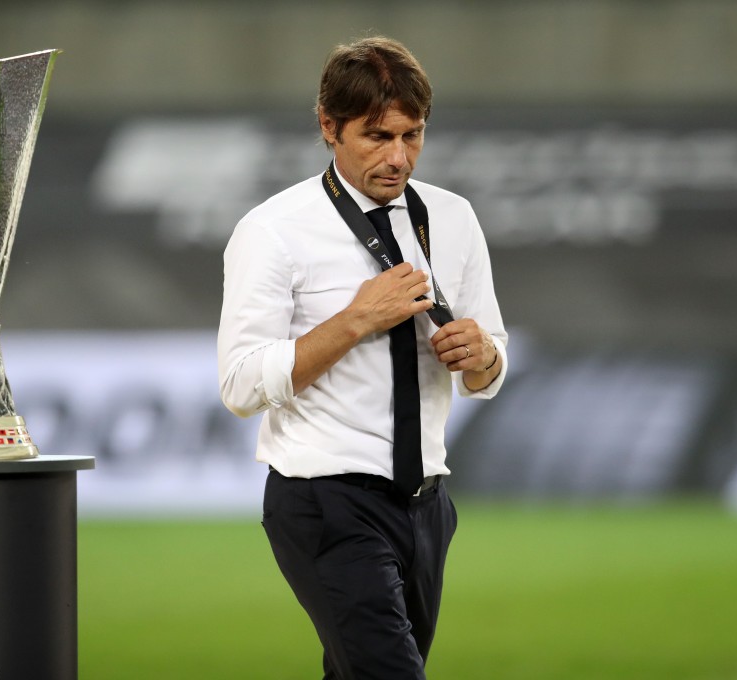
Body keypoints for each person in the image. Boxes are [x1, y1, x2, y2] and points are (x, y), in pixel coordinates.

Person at [217, 35, 507, 679]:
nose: (398, 157)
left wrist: (482, 355)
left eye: (413, 135)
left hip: (428, 502)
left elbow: (491, 365)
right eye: (378, 136)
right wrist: (357, 319)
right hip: (326, 499)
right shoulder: (272, 230)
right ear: (328, 126)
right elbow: (239, 386)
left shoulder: (454, 218)